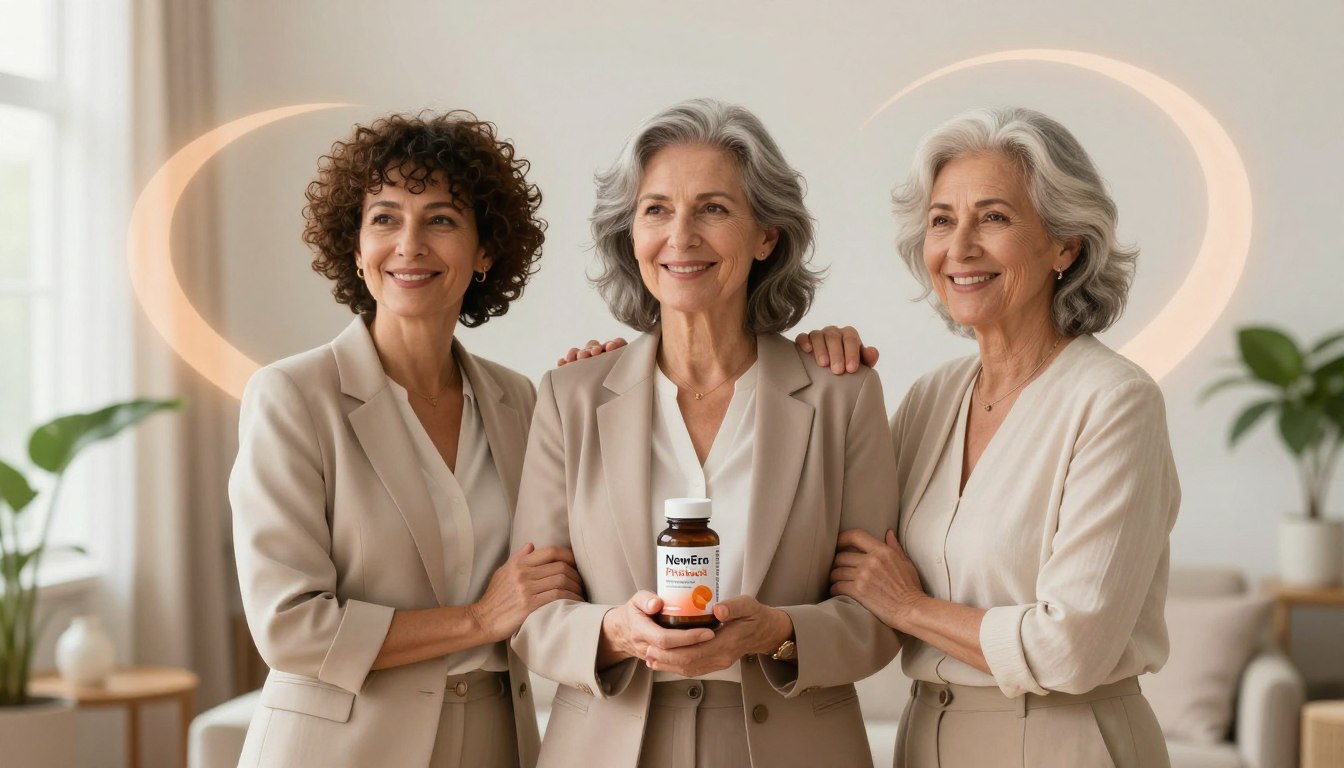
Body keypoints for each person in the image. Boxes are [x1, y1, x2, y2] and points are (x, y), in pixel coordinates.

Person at [510, 98, 902, 768]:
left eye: (714, 208)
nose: (681, 235)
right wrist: (612, 631)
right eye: (656, 209)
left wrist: (779, 632)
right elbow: (529, 612)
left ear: (765, 235)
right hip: (608, 743)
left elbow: (880, 616)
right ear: (631, 237)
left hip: (792, 742)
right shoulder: (570, 397)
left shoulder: (843, 394)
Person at [802, 106, 1178, 767]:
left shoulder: (1116, 402)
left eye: (995, 217)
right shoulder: (930, 397)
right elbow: (819, 533)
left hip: (1068, 741)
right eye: (943, 220)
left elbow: (1071, 648)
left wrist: (910, 608)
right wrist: (806, 377)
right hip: (929, 739)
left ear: (1066, 244)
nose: (961, 246)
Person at [230, 112, 582, 768]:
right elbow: (289, 626)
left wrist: (608, 388)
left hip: (494, 743)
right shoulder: (292, 397)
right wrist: (479, 620)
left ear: (484, 251)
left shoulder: (520, 402)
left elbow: (570, 565)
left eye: (441, 219)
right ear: (356, 247)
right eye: (385, 218)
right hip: (338, 750)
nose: (409, 244)